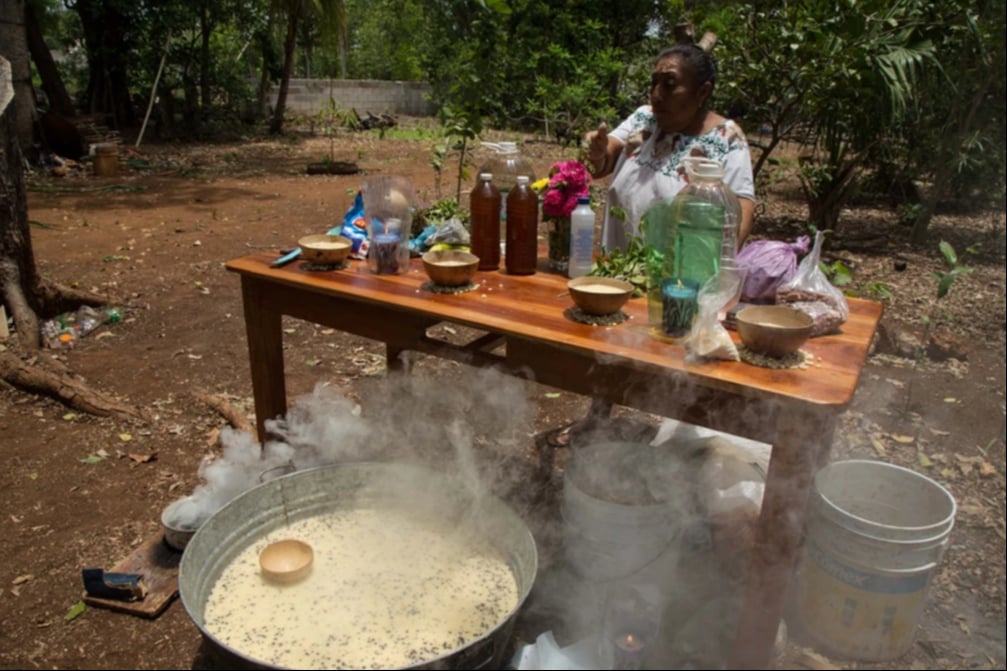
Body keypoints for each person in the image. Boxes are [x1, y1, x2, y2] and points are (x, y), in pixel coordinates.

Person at [584, 44, 755, 252]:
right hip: (616, 272)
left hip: (680, 278)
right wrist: (599, 150)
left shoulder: (727, 139)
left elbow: (741, 208)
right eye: (654, 83)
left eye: (670, 84)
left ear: (702, 91)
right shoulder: (643, 119)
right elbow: (607, 157)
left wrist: (716, 270)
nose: (656, 94)